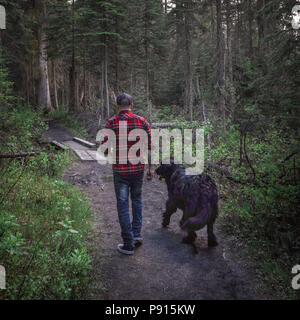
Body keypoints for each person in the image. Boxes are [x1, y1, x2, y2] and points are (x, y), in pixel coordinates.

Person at [100, 93, 153, 255]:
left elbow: (105, 149)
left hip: (120, 171)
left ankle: (128, 244)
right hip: (138, 170)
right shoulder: (142, 121)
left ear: (117, 106)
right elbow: (149, 147)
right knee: (137, 200)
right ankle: (136, 235)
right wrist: (151, 168)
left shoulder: (111, 123)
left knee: (123, 205)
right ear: (132, 105)